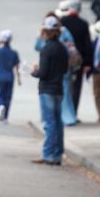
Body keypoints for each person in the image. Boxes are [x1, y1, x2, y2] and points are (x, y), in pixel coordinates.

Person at [32, 15, 67, 165]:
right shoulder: (62, 48)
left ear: (45, 31)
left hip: (47, 89)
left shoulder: (46, 49)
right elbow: (65, 68)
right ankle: (57, 153)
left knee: (49, 123)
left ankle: (48, 154)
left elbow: (43, 73)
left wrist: (34, 71)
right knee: (58, 122)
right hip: (58, 88)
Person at [58, 0, 93, 114]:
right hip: (78, 60)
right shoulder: (83, 24)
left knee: (64, 85)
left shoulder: (62, 21)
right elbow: (87, 45)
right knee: (77, 87)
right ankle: (73, 112)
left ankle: (64, 112)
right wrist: (88, 63)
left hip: (63, 59)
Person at [0, 29, 20, 122]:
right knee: (8, 97)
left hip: (0, 76)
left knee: (0, 95)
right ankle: (6, 116)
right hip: (10, 77)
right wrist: (19, 78)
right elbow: (17, 66)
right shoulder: (14, 53)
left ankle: (1, 106)